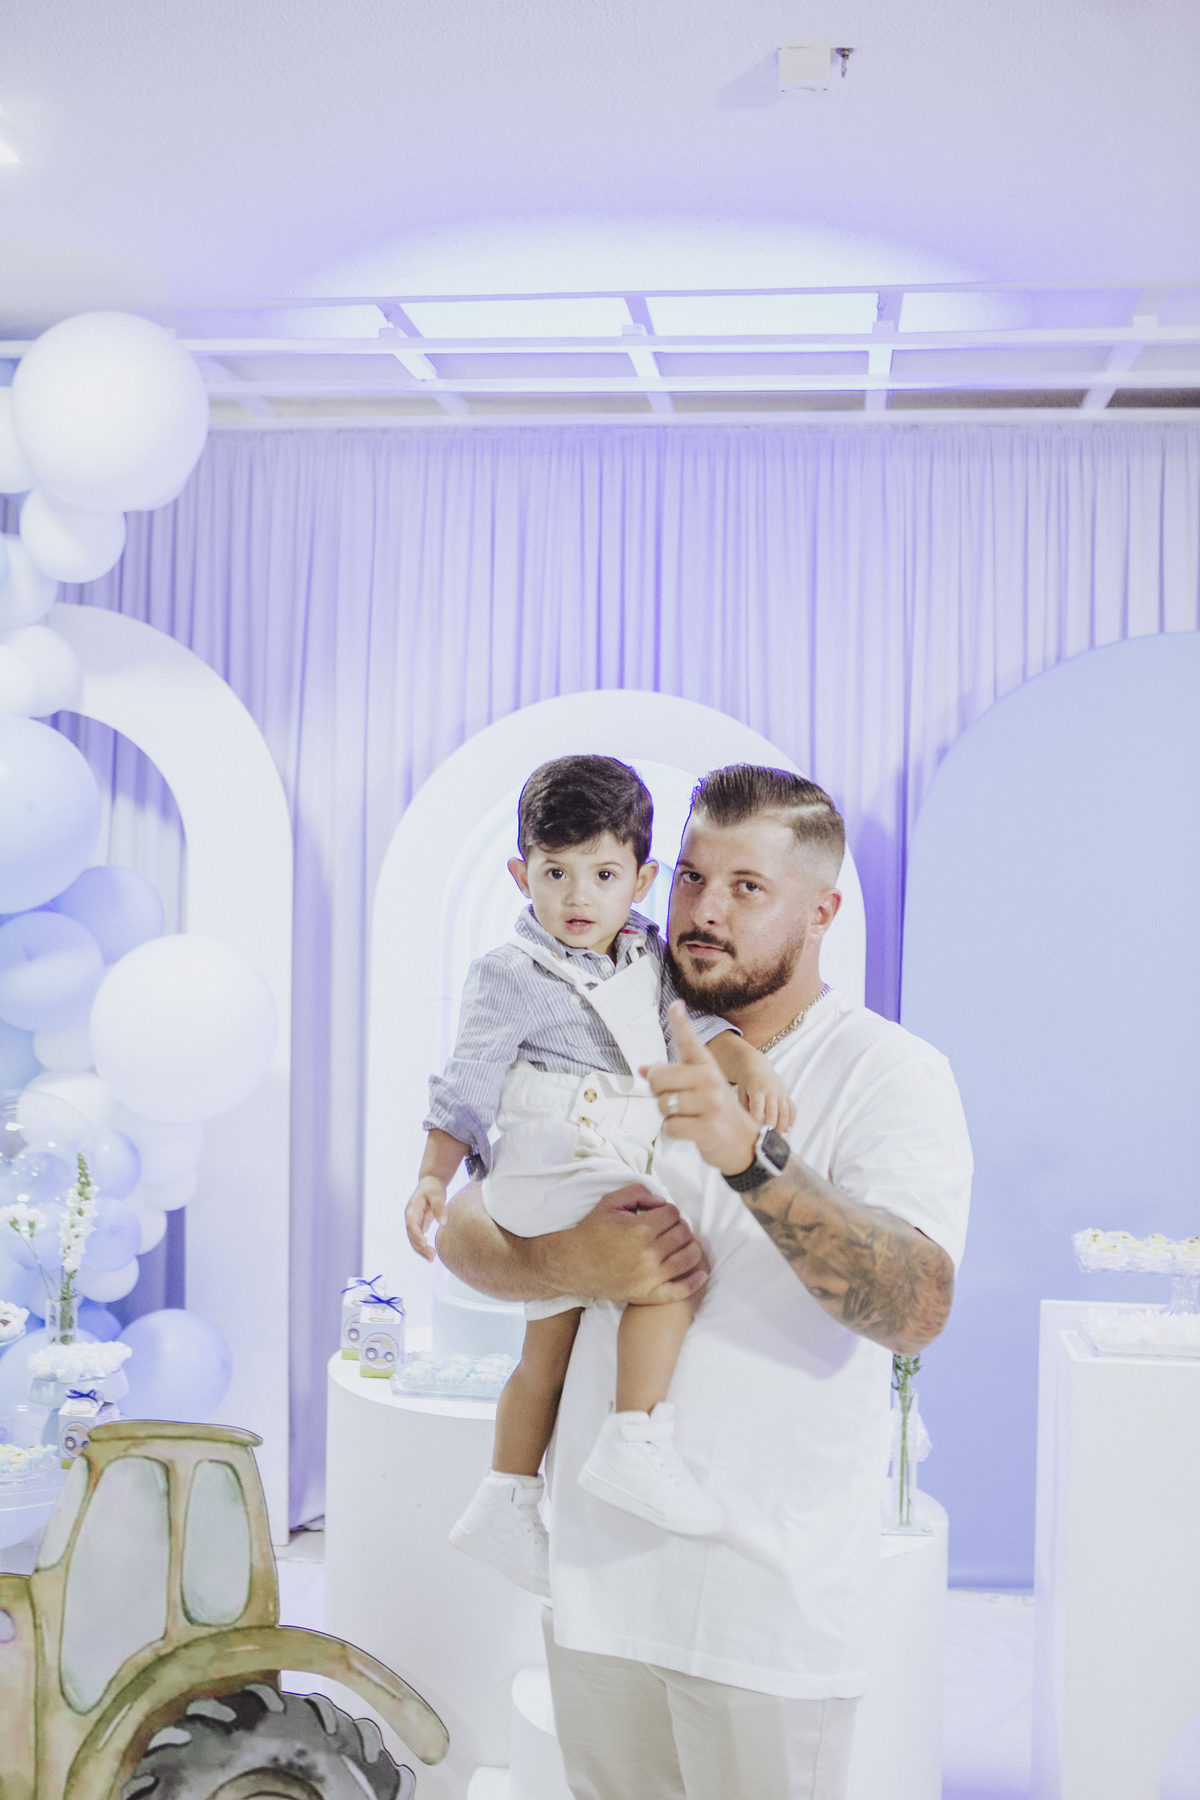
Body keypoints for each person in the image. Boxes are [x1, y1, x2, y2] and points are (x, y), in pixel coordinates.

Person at [435, 763, 973, 1800]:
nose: (703, 911)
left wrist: (747, 1159)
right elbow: (468, 1228)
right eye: (690, 877)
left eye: (746, 888)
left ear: (822, 912)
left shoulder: (889, 1071)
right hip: (597, 1592)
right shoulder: (600, 1019)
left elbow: (916, 1307)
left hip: (762, 1614)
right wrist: (563, 1262)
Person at [406, 755, 793, 1597]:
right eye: (556, 873)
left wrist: (747, 1064)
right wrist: (434, 1174)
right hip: (554, 1155)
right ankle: (634, 1436)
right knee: (667, 1261)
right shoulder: (511, 973)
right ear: (522, 876)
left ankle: (505, 1498)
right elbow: (467, 1082)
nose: (578, 897)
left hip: (600, 1154)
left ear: (641, 880)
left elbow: (692, 1026)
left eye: (604, 875)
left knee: (546, 1349)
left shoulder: (645, 954)